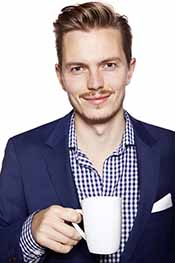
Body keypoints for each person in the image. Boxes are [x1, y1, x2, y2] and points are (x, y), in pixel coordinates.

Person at [0, 1, 175, 263]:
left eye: (109, 65)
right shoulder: (22, 152)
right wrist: (31, 232)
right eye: (78, 68)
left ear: (130, 69)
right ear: (60, 76)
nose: (95, 84)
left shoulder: (170, 148)